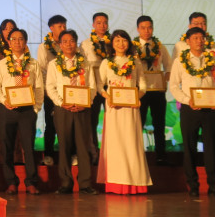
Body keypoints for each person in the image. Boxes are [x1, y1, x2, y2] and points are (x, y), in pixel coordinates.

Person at [169, 27, 215, 197]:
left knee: (211, 147)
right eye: (195, 38)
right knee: (190, 148)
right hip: (190, 109)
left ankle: (214, 186)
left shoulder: (214, 60)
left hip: (210, 109)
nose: (199, 41)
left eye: (201, 38)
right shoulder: (180, 61)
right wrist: (186, 100)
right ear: (188, 41)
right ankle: (193, 186)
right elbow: (173, 86)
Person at [97, 30, 152, 194]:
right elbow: (99, 85)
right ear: (112, 44)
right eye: (117, 41)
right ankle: (115, 182)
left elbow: (143, 86)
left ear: (129, 43)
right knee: (115, 144)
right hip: (113, 108)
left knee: (131, 143)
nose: (121, 44)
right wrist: (108, 97)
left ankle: (134, 182)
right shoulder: (106, 62)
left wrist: (137, 97)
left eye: (124, 40)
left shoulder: (135, 62)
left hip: (130, 109)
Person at [0, 28, 43, 195]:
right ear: (9, 42)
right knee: (7, 146)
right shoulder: (2, 64)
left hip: (27, 111)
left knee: (28, 147)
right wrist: (3, 100)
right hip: (8, 109)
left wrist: (36, 108)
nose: (17, 42)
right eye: (14, 39)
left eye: (21, 39)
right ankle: (11, 182)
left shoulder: (33, 63)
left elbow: (39, 88)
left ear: (25, 42)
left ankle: (31, 182)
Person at [46, 30, 98, 194]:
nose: (69, 44)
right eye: (65, 41)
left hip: (82, 109)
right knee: (64, 145)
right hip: (63, 109)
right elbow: (50, 87)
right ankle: (65, 183)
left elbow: (92, 87)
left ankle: (85, 183)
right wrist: (61, 103)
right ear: (60, 45)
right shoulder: (54, 64)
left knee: (83, 146)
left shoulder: (85, 63)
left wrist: (86, 103)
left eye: (72, 41)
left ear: (76, 43)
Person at [135, 15, 172, 166]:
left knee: (159, 123)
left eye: (149, 27)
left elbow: (169, 66)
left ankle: (161, 155)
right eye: (143, 28)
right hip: (140, 92)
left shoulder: (160, 46)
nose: (147, 31)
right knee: (138, 123)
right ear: (138, 29)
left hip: (157, 90)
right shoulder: (133, 47)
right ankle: (137, 156)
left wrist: (165, 79)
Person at [80, 12, 111, 165]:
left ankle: (110, 152)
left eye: (105, 22)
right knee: (92, 121)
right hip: (92, 87)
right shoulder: (85, 44)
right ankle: (94, 153)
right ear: (93, 25)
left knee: (111, 120)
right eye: (99, 23)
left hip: (110, 87)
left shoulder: (113, 42)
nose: (102, 26)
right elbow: (82, 66)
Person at [36, 15, 66, 166]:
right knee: (50, 123)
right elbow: (42, 69)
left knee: (68, 124)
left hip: (67, 91)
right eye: (60, 26)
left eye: (64, 26)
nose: (63, 29)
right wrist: (46, 91)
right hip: (50, 91)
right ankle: (48, 155)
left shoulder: (68, 44)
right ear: (51, 28)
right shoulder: (44, 47)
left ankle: (69, 155)